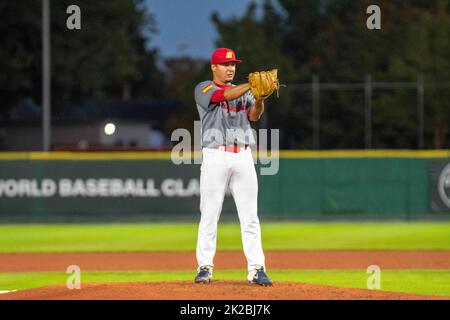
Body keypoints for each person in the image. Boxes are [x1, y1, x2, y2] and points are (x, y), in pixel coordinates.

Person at [193, 48, 272, 286]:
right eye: (226, 65)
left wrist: (259, 98)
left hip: (243, 155)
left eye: (233, 65)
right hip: (215, 155)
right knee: (209, 215)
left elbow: (254, 116)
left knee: (250, 217)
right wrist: (251, 85)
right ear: (214, 67)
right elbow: (222, 97)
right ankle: (204, 266)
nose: (231, 68)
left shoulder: (244, 91)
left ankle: (257, 269)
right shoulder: (203, 88)